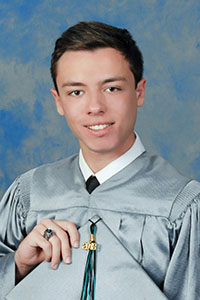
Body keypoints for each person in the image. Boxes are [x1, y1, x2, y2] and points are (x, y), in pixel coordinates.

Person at [0, 21, 199, 300]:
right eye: (76, 92)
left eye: (112, 88)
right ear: (58, 101)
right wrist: (18, 267)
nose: (95, 107)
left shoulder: (181, 205)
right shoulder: (30, 193)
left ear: (139, 92)